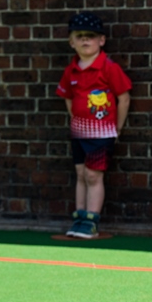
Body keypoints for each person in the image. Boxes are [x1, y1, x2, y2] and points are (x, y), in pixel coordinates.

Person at [56, 12, 131, 239]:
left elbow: (124, 97)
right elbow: (68, 96)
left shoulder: (108, 67)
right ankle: (78, 217)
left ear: (101, 40)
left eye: (91, 36)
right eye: (80, 36)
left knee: (93, 175)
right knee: (80, 173)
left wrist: (117, 127)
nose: (85, 41)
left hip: (102, 133)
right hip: (79, 131)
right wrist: (76, 119)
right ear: (71, 42)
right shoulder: (71, 70)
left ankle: (91, 220)